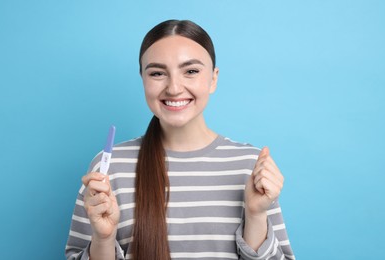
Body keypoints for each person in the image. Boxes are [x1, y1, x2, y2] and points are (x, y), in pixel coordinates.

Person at [65, 19, 295, 260]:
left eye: (191, 71)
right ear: (143, 79)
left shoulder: (249, 165)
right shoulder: (108, 168)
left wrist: (256, 215)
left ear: (214, 79)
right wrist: (103, 239)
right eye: (157, 73)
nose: (174, 88)